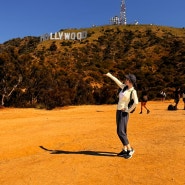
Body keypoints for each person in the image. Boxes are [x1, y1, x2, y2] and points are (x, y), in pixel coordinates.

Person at [104, 72, 138, 159]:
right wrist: (109, 75)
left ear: (130, 81)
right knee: (123, 131)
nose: (125, 80)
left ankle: (130, 150)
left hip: (124, 113)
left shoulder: (133, 91)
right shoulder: (124, 87)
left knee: (120, 132)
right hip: (118, 111)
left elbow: (136, 102)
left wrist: (128, 110)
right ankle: (124, 149)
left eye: (127, 79)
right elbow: (117, 81)